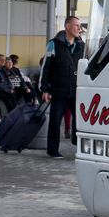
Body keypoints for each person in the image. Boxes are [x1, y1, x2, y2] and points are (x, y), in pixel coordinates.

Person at [40, 15, 85, 158]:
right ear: (67, 26)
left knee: (80, 121)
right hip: (58, 90)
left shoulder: (82, 45)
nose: (79, 28)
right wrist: (45, 89)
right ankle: (52, 150)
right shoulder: (54, 44)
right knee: (55, 120)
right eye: (77, 25)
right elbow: (46, 67)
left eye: (80, 26)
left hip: (76, 90)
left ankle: (79, 148)